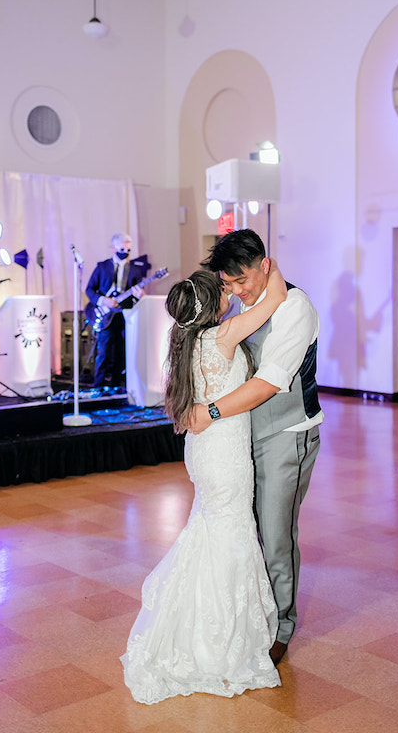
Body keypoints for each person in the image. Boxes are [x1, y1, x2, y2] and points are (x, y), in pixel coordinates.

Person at [121, 262, 287, 704]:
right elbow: (276, 299)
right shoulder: (224, 334)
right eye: (223, 287)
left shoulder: (186, 340)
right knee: (230, 536)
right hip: (225, 457)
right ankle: (220, 643)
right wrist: (266, 266)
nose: (229, 290)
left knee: (212, 531)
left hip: (204, 453)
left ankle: (197, 625)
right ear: (214, 304)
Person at [190, 228, 323, 666]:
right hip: (240, 436)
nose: (238, 290)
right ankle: (253, 612)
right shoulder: (240, 299)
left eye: (243, 280)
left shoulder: (295, 307)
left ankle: (282, 625)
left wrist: (209, 413)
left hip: (286, 435)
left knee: (276, 533)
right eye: (229, 283)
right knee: (244, 532)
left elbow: (268, 383)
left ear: (266, 266)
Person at [85, 234, 148, 389]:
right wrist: (102, 301)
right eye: (122, 248)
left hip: (123, 315)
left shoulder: (134, 269)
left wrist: (142, 296)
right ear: (113, 248)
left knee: (121, 351)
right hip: (105, 314)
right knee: (104, 352)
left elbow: (138, 292)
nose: (125, 252)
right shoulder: (102, 267)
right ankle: (98, 386)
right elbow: (89, 289)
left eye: (128, 249)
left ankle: (116, 386)